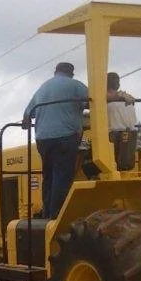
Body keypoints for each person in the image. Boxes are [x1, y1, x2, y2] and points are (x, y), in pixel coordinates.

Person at [22, 62, 88, 219]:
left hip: (43, 140)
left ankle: (47, 213)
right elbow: (96, 102)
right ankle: (56, 216)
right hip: (65, 137)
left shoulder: (42, 88)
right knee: (62, 175)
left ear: (55, 72)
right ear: (71, 74)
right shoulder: (75, 86)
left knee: (49, 175)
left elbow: (27, 115)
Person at [107, 72, 137, 171]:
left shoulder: (104, 100)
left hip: (113, 138)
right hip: (131, 136)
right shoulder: (128, 99)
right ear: (118, 85)